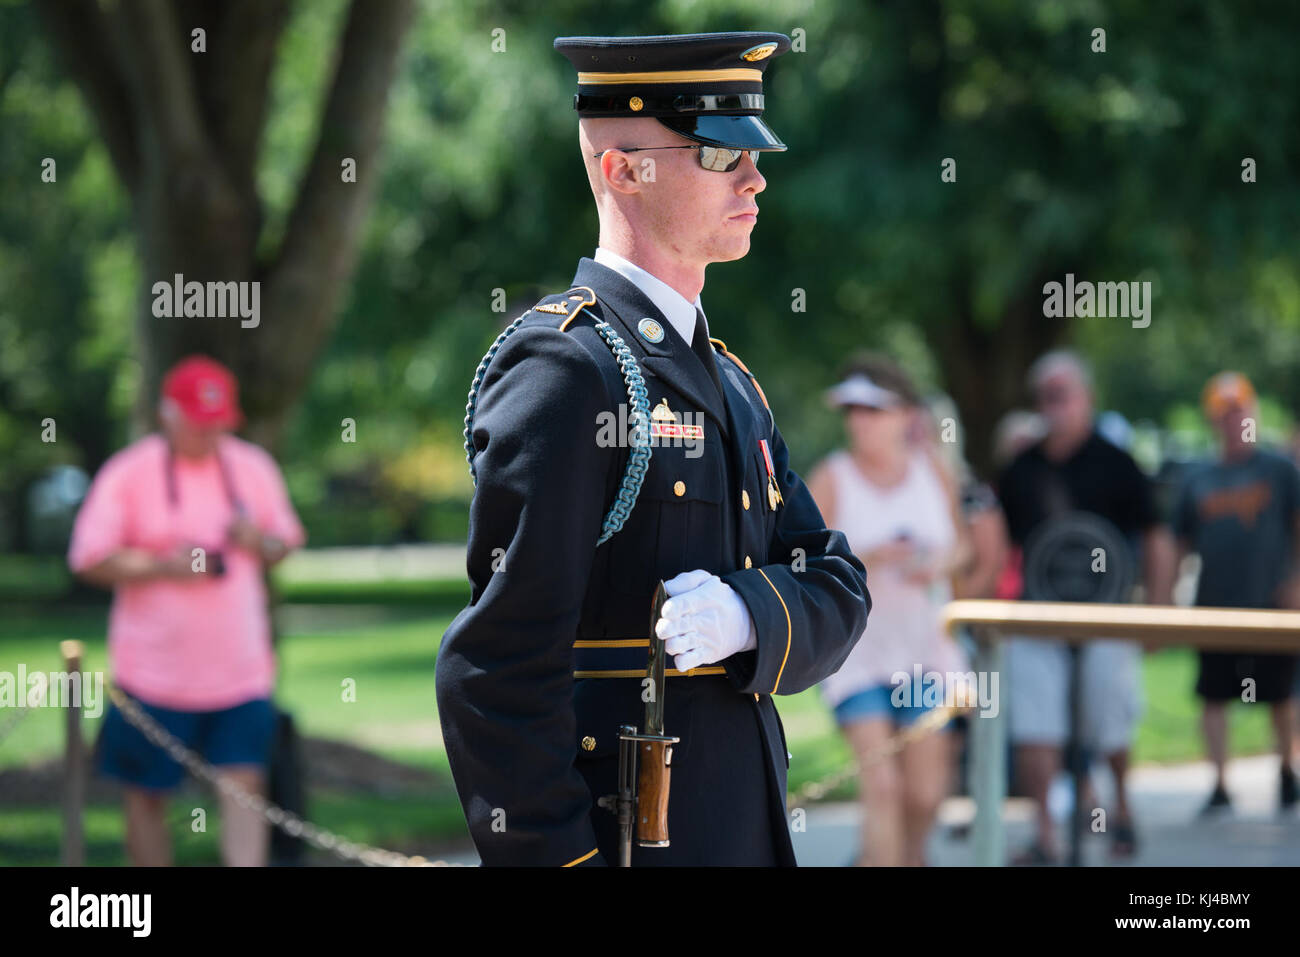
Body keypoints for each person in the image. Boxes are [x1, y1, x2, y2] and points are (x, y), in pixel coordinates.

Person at [435, 32, 870, 867]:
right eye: (718, 155)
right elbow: (494, 671)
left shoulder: (732, 381)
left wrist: (749, 613)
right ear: (622, 170)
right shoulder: (567, 369)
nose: (755, 178)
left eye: (752, 156)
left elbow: (838, 583)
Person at [67, 356, 306, 866]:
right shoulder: (128, 473)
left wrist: (256, 540)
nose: (210, 434)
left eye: (219, 424)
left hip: (239, 672)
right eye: (199, 424)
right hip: (152, 675)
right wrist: (160, 565)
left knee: (244, 787)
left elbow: (283, 542)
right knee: (146, 796)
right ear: (167, 414)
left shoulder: (252, 467)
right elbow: (88, 558)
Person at [996, 350, 1176, 864]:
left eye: (1064, 392)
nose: (1055, 403)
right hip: (1036, 618)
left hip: (1107, 615)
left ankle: (1120, 809)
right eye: (1046, 394)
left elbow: (1156, 536)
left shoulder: (1118, 464)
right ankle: (1046, 834)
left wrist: (1159, 611)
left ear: (1087, 399)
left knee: (1110, 721)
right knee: (1035, 726)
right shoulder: (1020, 470)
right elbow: (993, 541)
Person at [806, 355, 969, 866]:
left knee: (924, 794)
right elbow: (800, 562)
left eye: (872, 409)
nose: (859, 421)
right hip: (856, 657)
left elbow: (964, 545)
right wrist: (863, 560)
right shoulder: (831, 477)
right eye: (851, 409)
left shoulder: (933, 472)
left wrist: (939, 560)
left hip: (924, 655)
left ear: (905, 415)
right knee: (881, 786)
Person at [1170, 372, 1300, 814]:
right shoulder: (1197, 477)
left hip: (1271, 602)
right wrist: (1167, 598)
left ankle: (1286, 771)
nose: (1233, 420)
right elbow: (1178, 542)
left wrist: (1296, 581)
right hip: (1216, 603)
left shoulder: (1279, 470)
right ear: (1213, 420)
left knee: (1280, 694)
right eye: (1224, 414)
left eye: (1240, 410)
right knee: (1214, 694)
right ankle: (1220, 783)